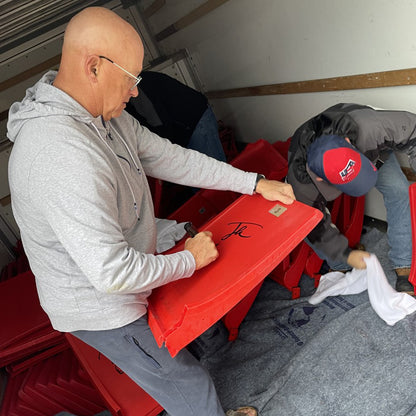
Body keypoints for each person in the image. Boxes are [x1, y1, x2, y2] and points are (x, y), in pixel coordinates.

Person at [6, 7, 295, 416]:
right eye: (131, 78)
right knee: (184, 383)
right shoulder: (58, 155)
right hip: (100, 305)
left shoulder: (105, 117)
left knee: (178, 356)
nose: (136, 92)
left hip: (119, 268)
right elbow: (113, 274)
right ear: (94, 68)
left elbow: (169, 157)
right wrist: (188, 261)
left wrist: (251, 182)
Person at [287, 102, 416, 294]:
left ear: (348, 142)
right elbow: (312, 227)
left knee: (399, 190)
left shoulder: (371, 127)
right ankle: (339, 264)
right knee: (308, 221)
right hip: (318, 162)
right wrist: (346, 254)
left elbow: (414, 131)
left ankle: (404, 263)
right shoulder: (302, 182)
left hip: (368, 146)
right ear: (320, 178)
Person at [126, 70, 227, 162]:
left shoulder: (133, 87)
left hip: (194, 122)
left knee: (213, 172)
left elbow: (159, 125)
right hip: (190, 122)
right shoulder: (134, 81)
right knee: (208, 172)